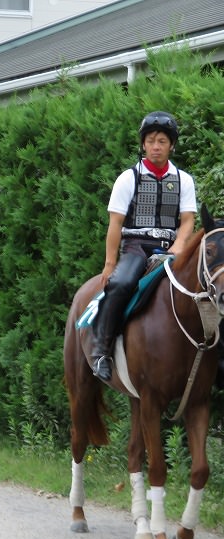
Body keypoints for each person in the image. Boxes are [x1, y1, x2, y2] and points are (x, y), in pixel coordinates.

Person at [91, 111, 197, 381]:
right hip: (137, 246)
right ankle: (101, 350)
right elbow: (115, 224)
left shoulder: (184, 180)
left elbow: (187, 221)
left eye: (162, 141)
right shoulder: (128, 178)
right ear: (143, 144)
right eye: (151, 141)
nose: (156, 147)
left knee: (205, 288)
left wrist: (180, 245)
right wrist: (110, 264)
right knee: (122, 284)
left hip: (171, 248)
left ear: (171, 145)